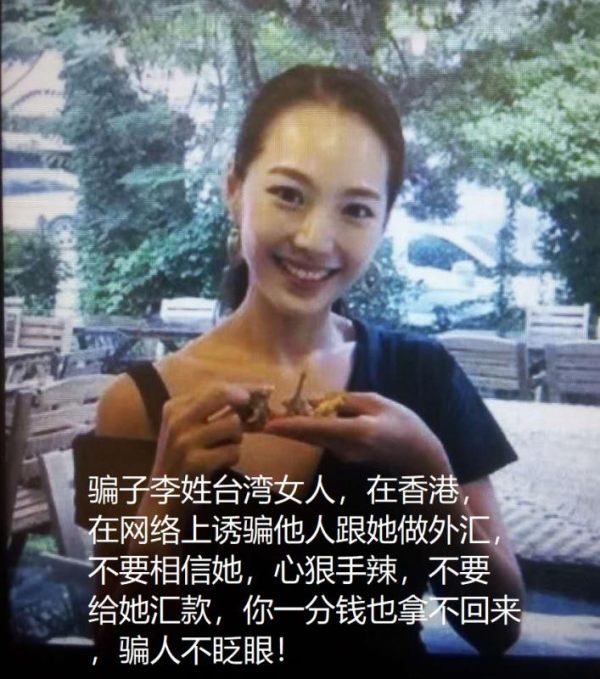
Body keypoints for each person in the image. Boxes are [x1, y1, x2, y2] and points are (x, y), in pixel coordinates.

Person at [74, 64, 524, 672]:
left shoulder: (425, 377)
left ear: (384, 221)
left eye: (356, 209)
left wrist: (428, 474)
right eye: (289, 194)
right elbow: (114, 646)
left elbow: (497, 628)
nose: (315, 239)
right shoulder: (137, 403)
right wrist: (165, 499)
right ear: (234, 188)